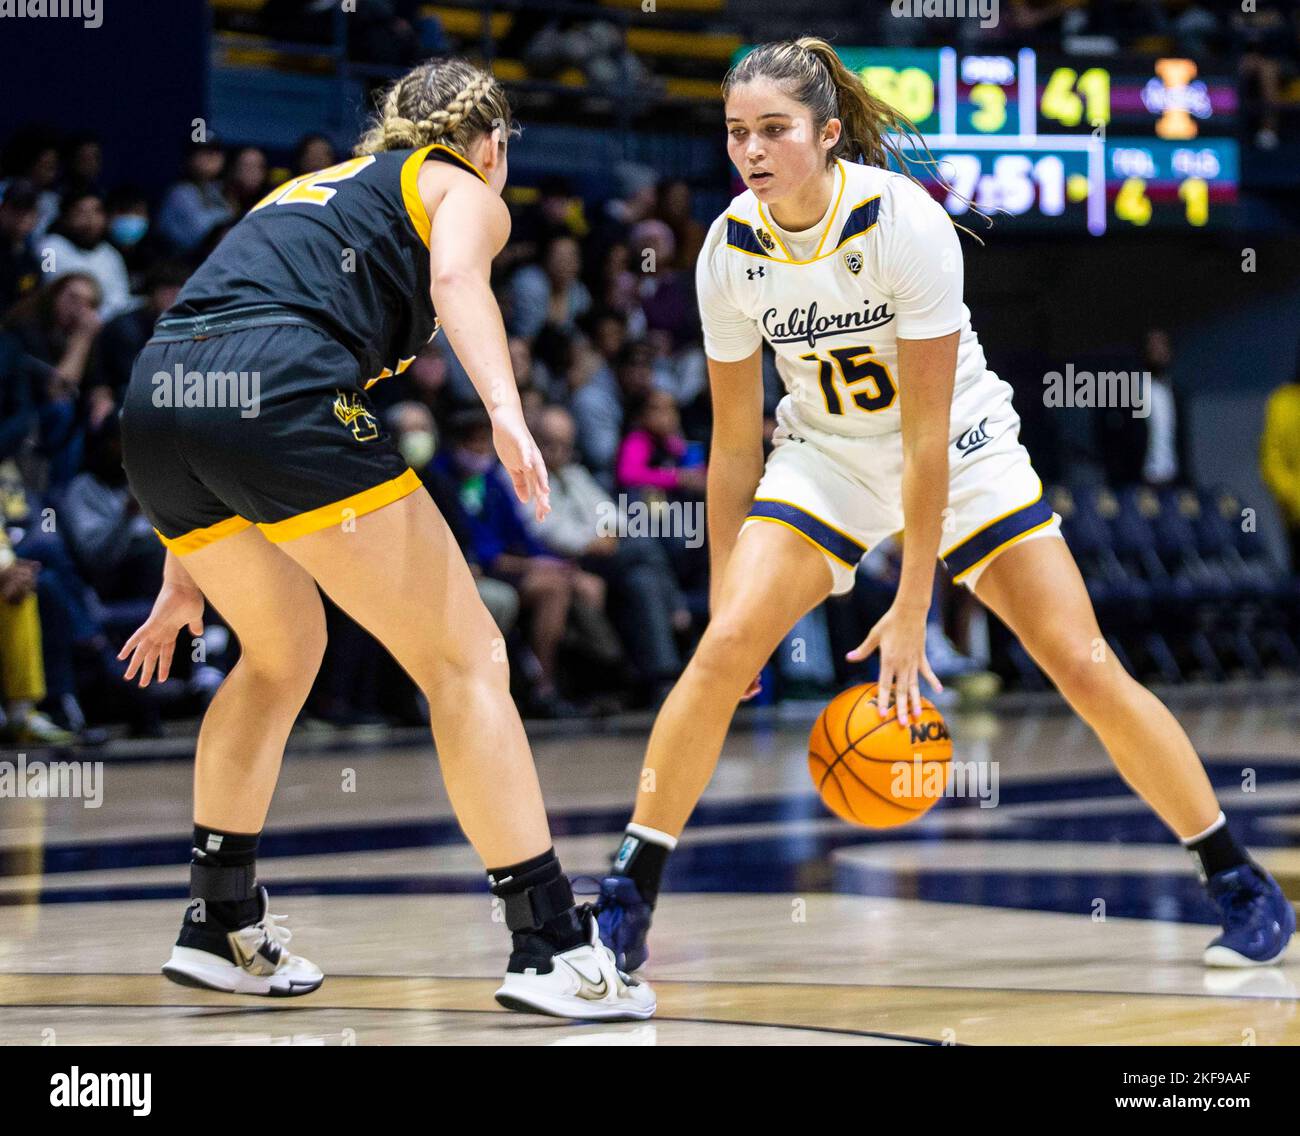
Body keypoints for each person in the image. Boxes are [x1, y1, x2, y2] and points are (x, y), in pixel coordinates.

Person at [593, 37, 1293, 973]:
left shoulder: (902, 225)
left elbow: (924, 441)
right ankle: (625, 901)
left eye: (773, 130)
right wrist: (729, 594)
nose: (751, 151)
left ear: (828, 133)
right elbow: (730, 447)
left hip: (957, 451)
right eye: (735, 134)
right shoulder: (729, 248)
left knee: (1083, 664)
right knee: (720, 651)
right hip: (826, 457)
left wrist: (913, 607)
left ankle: (1237, 878)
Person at [117, 57, 653, 1019]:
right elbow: (456, 280)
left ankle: (219, 922)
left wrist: (185, 565)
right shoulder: (462, 188)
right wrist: (507, 408)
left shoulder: (302, 194)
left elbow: (213, 346)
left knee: (282, 654)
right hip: (275, 393)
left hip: (158, 402)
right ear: (493, 145)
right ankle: (549, 944)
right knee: (467, 657)